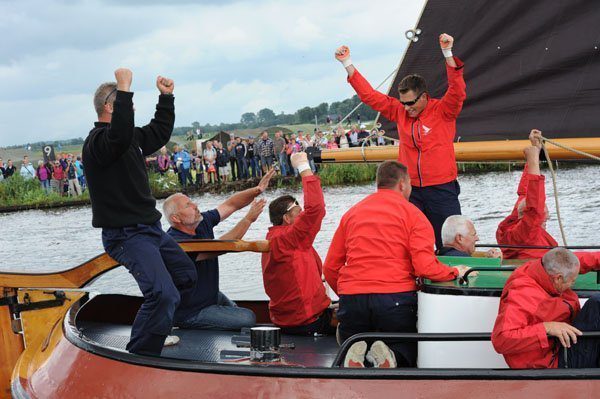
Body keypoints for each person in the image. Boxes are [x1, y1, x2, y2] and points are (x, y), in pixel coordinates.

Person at [83, 68, 197, 356]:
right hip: (125, 234)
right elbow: (118, 136)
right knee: (163, 293)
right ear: (110, 106)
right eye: (125, 103)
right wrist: (124, 87)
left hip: (149, 230)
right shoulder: (98, 143)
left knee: (184, 275)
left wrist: (166, 98)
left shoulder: (128, 137)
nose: (131, 107)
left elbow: (158, 132)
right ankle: (141, 354)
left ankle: (156, 326)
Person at [324, 161, 470, 368]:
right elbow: (424, 267)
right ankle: (392, 355)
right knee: (408, 348)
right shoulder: (414, 216)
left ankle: (357, 351)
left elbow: (330, 266)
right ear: (402, 184)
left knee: (353, 340)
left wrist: (347, 293)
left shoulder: (352, 214)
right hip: (394, 299)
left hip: (353, 299)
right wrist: (454, 272)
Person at [336, 33, 466, 250]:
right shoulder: (399, 111)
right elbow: (370, 96)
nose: (406, 108)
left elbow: (457, 90)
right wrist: (347, 63)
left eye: (411, 103)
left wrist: (447, 53)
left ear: (424, 97)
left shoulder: (444, 110)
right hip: (410, 190)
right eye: (403, 103)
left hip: (442, 189)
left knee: (449, 243)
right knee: (409, 243)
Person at [164, 170, 275, 330]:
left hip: (210, 296)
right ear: (176, 218)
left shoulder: (200, 221)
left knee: (240, 316)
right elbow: (222, 246)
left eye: (192, 202)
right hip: (191, 311)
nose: (195, 206)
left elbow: (231, 204)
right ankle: (189, 326)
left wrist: (257, 190)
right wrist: (248, 219)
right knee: (247, 319)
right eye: (188, 205)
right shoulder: (176, 242)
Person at [261, 152, 334, 335]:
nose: (302, 215)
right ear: (286, 218)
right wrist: (303, 166)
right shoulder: (290, 238)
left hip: (288, 318)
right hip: (306, 321)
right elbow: (315, 209)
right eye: (298, 212)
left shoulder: (275, 238)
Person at [492, 248, 600, 369]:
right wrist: (547, 328)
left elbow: (573, 260)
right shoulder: (524, 294)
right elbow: (501, 339)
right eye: (572, 281)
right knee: (597, 303)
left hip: (562, 341)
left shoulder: (544, 268)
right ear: (558, 278)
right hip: (550, 361)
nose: (572, 284)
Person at [496, 129, 557, 259]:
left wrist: (534, 149)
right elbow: (534, 208)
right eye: (543, 214)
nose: (547, 218)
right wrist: (533, 160)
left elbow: (526, 192)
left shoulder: (515, 225)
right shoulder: (523, 233)